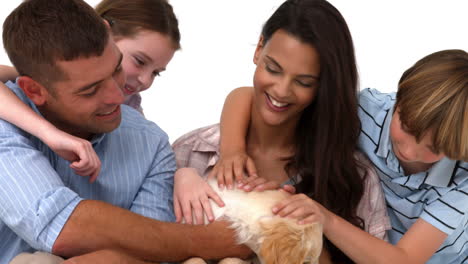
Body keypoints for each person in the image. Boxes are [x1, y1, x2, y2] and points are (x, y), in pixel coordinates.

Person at [0, 0, 249, 263]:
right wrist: (209, 241)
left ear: (109, 35)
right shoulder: (7, 122)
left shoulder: (151, 143)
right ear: (35, 91)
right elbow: (57, 222)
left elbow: (148, 253)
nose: (117, 96)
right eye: (90, 90)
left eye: (116, 68)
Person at [171, 0, 391, 263]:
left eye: (303, 82)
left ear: (323, 87)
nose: (282, 91)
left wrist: (309, 231)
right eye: (273, 69)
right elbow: (155, 247)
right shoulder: (190, 153)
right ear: (259, 50)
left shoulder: (353, 176)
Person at [211, 45, 468, 263]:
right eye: (406, 127)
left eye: (434, 149)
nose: (410, 151)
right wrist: (232, 151)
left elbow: (402, 259)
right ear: (398, 97)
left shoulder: (462, 183)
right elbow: (247, 96)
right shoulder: (365, 110)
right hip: (359, 242)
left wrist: (326, 218)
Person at [0, 0, 181, 180]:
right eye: (140, 62)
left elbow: (152, 160)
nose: (145, 80)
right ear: (108, 31)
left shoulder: (137, 119)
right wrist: (48, 128)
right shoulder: (29, 94)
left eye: (156, 73)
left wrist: (183, 174)